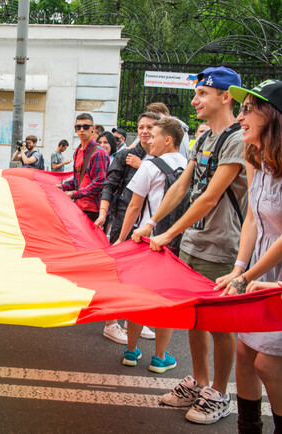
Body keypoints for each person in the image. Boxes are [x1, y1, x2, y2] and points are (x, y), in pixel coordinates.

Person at [132, 66, 247, 425]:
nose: (194, 101)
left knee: (220, 323)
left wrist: (167, 234)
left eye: (202, 94)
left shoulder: (237, 139)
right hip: (195, 241)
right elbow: (183, 186)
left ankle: (219, 391)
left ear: (225, 97)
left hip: (222, 244)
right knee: (195, 316)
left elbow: (211, 197)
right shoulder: (205, 139)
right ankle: (198, 383)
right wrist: (151, 224)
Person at [214, 79, 282, 434]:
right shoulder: (254, 157)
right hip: (259, 270)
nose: (239, 116)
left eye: (247, 109)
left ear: (271, 117)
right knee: (245, 358)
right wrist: (239, 270)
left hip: (275, 274)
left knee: (270, 366)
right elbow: (254, 218)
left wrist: (248, 275)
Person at [115, 117, 187, 374]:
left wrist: (121, 240)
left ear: (168, 140)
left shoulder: (149, 165)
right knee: (165, 300)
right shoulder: (189, 166)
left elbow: (134, 206)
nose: (148, 139)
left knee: (138, 297)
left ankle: (131, 351)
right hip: (175, 242)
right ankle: (160, 357)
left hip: (145, 241)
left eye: (153, 135)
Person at [93, 113, 161, 345]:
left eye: (150, 127)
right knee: (119, 274)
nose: (144, 131)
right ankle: (111, 323)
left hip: (151, 223)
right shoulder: (124, 156)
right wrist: (103, 213)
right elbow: (109, 186)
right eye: (140, 126)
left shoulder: (164, 157)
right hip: (123, 220)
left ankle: (134, 319)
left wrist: (144, 166)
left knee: (143, 276)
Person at [59, 113, 110, 222]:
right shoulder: (77, 151)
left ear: (93, 128)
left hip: (94, 209)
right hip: (78, 207)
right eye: (78, 127)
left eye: (86, 127)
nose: (82, 130)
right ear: (75, 129)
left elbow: (100, 182)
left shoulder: (99, 152)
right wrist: (62, 187)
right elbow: (78, 180)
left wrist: (74, 194)